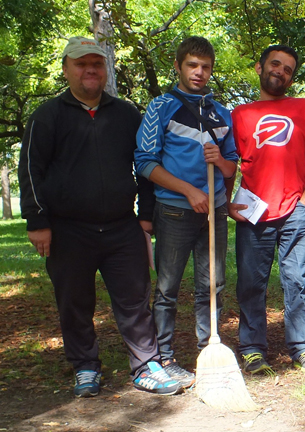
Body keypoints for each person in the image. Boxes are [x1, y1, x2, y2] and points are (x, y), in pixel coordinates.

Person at [18, 36, 182, 397]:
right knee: (74, 302)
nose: (90, 70)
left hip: (122, 226)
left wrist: (146, 216)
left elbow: (145, 165)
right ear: (66, 69)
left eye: (97, 63)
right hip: (66, 229)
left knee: (135, 300)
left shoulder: (126, 114)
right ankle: (86, 367)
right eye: (81, 64)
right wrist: (37, 221)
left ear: (105, 69)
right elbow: (30, 170)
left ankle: (145, 367)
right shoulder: (47, 116)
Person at [134, 36, 238, 387]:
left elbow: (230, 168)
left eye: (206, 67)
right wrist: (189, 190)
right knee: (167, 287)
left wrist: (220, 161)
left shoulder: (221, 113)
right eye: (192, 65)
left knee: (213, 284)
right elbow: (146, 163)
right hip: (176, 210)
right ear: (178, 66)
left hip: (216, 210)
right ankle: (163, 357)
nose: (199, 72)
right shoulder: (160, 107)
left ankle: (209, 349)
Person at [229, 45, 305, 374]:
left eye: (288, 69)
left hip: (295, 211)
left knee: (298, 281)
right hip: (254, 213)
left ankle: (303, 347)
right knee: (250, 284)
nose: (281, 72)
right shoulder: (240, 114)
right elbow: (231, 164)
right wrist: (230, 204)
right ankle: (253, 348)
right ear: (259, 67)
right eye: (275, 64)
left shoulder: (304, 108)